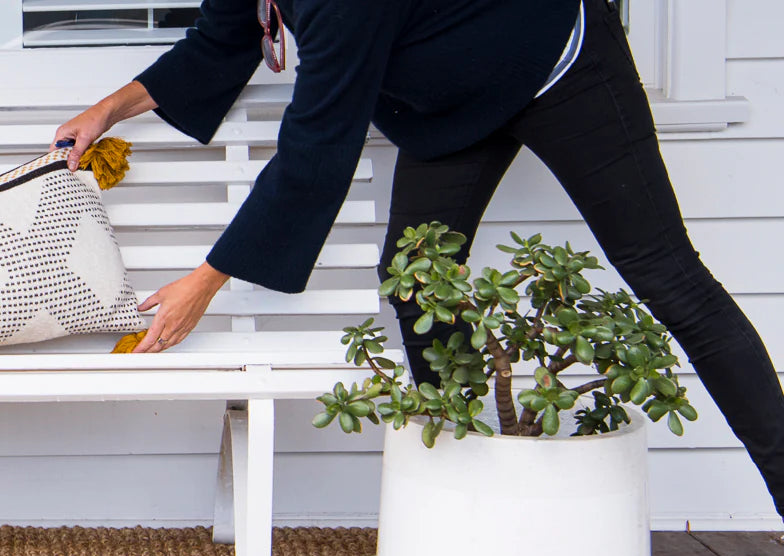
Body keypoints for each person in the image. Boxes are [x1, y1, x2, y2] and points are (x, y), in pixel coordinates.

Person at [53, 0, 784, 521]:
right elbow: (219, 43)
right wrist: (107, 111)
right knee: (415, 284)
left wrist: (204, 282)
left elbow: (316, 151)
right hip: (453, 100)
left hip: (556, 58)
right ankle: (468, 513)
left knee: (670, 279)